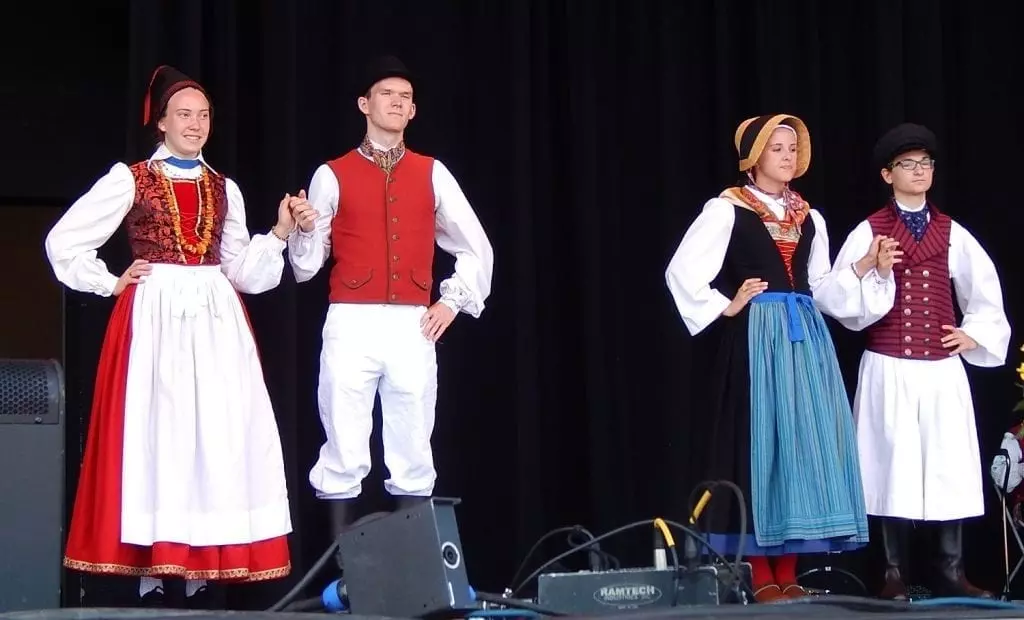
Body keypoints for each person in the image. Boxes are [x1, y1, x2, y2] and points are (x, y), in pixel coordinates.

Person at [45, 65, 294, 607]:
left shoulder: (224, 187)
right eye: (184, 114)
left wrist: (277, 234)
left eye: (203, 115)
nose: (195, 124)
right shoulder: (129, 179)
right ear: (161, 123)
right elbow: (64, 241)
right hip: (155, 314)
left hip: (215, 319)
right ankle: (155, 571)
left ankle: (202, 567)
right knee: (160, 431)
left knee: (215, 433)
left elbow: (242, 272)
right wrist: (109, 282)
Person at [286, 55, 493, 548]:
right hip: (351, 321)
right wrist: (305, 230)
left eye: (405, 97)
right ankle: (343, 572)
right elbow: (306, 265)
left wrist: (451, 303)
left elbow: (475, 244)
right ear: (365, 103)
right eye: (387, 94)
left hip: (411, 323)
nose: (397, 102)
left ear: (413, 111)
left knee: (413, 438)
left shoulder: (432, 172)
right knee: (343, 437)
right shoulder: (331, 173)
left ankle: (415, 571)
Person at [665, 114, 870, 602]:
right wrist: (726, 303)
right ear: (754, 156)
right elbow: (683, 271)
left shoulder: (808, 215)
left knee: (803, 446)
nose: (788, 155)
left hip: (806, 342)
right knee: (763, 445)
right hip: (759, 339)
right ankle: (759, 570)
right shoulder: (727, 209)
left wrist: (863, 267)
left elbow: (820, 286)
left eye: (793, 148)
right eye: (777, 148)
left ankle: (791, 568)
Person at [821, 123, 1011, 599]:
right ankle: (891, 572)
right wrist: (877, 269)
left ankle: (950, 569)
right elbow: (839, 300)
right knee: (890, 465)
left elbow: (984, 290)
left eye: (925, 164)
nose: (920, 171)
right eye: (908, 164)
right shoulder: (870, 230)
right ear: (888, 174)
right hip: (889, 366)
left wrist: (974, 335)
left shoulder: (952, 232)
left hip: (940, 369)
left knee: (947, 463)